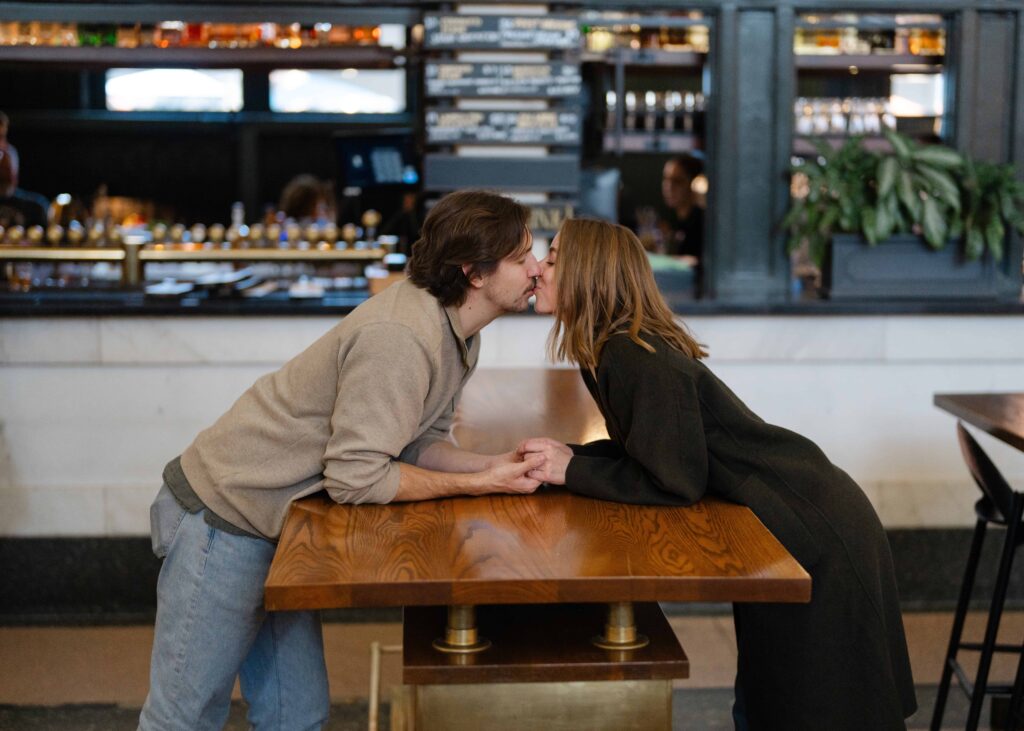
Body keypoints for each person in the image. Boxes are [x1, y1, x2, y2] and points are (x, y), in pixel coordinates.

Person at [138, 189, 545, 731]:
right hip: (224, 519)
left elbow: (413, 442)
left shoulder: (458, 334)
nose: (537, 269)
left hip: (276, 527)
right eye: (521, 259)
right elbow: (357, 477)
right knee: (183, 718)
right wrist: (474, 486)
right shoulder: (401, 337)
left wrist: (490, 467)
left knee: (296, 716)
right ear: (474, 272)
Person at [524, 218, 917, 731]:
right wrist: (571, 457)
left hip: (811, 525)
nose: (538, 270)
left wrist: (572, 469)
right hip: (789, 512)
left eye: (552, 260)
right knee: (774, 692)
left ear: (588, 275)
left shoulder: (629, 354)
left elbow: (673, 482)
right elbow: (648, 451)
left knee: (816, 702)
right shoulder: (612, 348)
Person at [0, 112, 48, 229]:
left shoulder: (36, 208)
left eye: (3, 137)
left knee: (40, 205)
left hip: (14, 199)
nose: (2, 145)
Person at [660, 153, 705, 262]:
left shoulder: (702, 225)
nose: (669, 187)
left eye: (677, 181)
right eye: (666, 179)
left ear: (693, 184)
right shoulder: (675, 220)